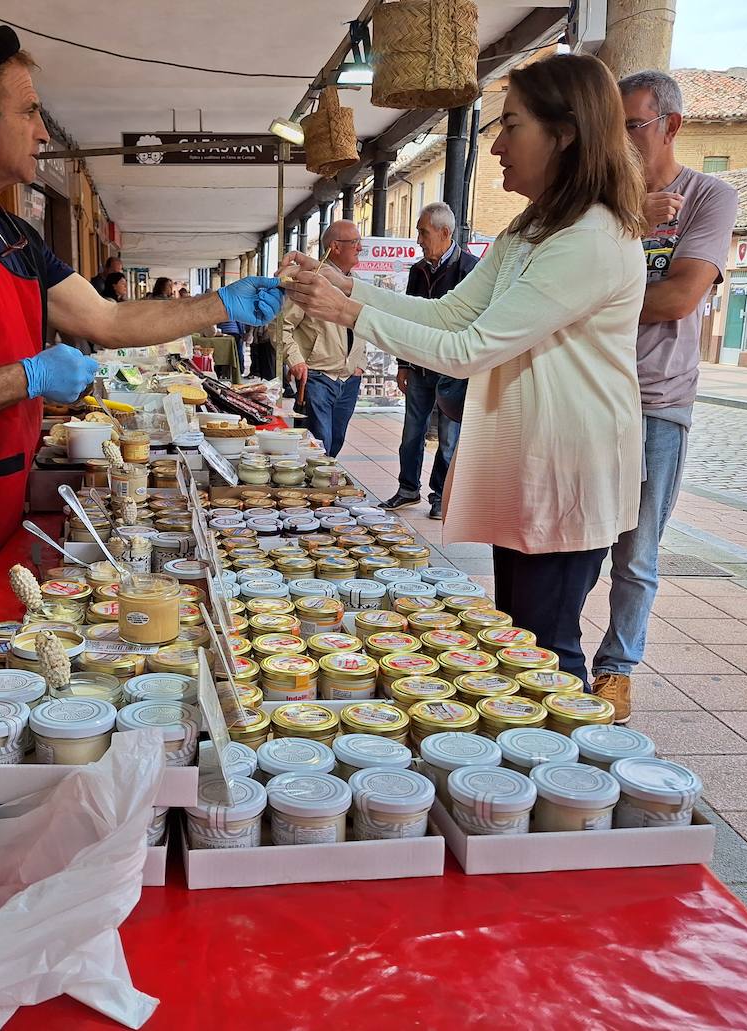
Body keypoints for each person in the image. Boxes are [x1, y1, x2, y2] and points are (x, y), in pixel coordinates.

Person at [0, 26, 283, 687]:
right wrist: (31, 374)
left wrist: (217, 306)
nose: (42, 132)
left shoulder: (11, 233)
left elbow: (107, 318)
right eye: (28, 111)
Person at [282, 53, 649, 682]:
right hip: (533, 457)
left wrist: (348, 312)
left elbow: (470, 347)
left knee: (545, 650)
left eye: (512, 126)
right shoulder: (532, 230)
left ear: (565, 134)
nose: (499, 145)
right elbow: (449, 314)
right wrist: (347, 287)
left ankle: (561, 770)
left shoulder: (590, 238)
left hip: (567, 465)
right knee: (521, 638)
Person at [590, 71, 740, 722]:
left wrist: (594, 301)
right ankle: (554, 657)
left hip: (656, 402)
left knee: (637, 550)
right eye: (611, 127)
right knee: (570, 538)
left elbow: (682, 296)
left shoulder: (709, 196)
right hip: (588, 396)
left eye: (632, 125)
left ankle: (616, 672)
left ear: (670, 126)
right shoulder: (600, 200)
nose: (619, 141)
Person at [380, 201, 480, 519]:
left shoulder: (471, 269)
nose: (419, 240)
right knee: (412, 431)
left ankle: (440, 495)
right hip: (420, 366)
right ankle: (408, 489)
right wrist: (403, 364)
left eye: (423, 233)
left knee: (449, 438)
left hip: (453, 368)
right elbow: (407, 319)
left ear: (444, 232)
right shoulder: (418, 271)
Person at [281, 220, 366, 457]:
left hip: (349, 378)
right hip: (318, 376)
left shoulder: (357, 285)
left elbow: (363, 325)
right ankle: (314, 491)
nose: (360, 248)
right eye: (355, 243)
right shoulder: (309, 280)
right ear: (335, 247)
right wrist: (295, 360)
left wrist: (361, 363)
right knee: (317, 445)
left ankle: (323, 488)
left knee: (336, 442)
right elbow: (280, 326)